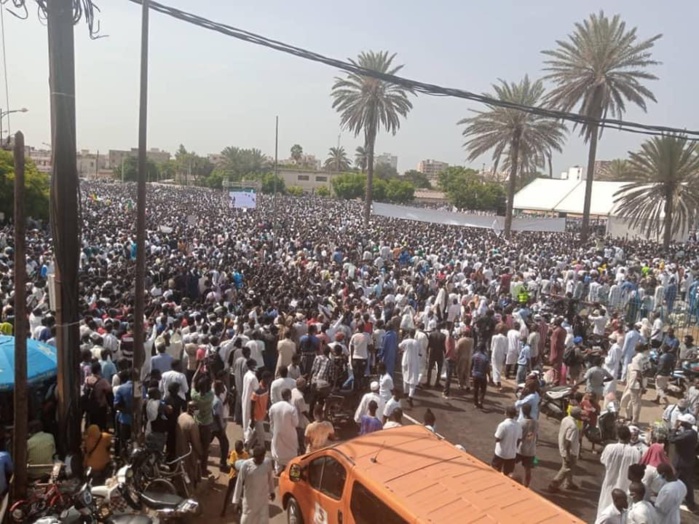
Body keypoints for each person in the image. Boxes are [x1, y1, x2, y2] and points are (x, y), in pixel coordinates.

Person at [596, 425, 642, 520]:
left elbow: (603, 461)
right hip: (625, 486)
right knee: (622, 514)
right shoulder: (635, 452)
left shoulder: (609, 448)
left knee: (605, 509)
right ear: (629, 437)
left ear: (617, 436)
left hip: (609, 484)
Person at [232, 444, 275, 524]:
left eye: (262, 457)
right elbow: (239, 483)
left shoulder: (267, 463)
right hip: (249, 501)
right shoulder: (246, 466)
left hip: (263, 500)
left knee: (263, 521)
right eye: (258, 458)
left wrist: (272, 491)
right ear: (254, 456)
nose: (261, 459)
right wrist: (236, 501)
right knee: (246, 521)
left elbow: (270, 478)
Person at [667, 412, 697, 512]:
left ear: (687, 423)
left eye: (682, 421)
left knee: (677, 480)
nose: (680, 422)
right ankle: (689, 501)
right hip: (687, 460)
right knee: (685, 481)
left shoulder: (688, 434)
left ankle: (690, 503)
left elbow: (671, 439)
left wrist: (674, 428)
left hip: (681, 462)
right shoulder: (692, 432)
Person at [548, 406, 582, 493]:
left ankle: (568, 483)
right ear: (577, 415)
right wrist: (567, 456)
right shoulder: (573, 427)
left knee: (571, 468)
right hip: (570, 451)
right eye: (580, 414)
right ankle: (553, 485)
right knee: (566, 468)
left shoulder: (566, 419)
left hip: (564, 447)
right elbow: (568, 442)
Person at [268, 388, 299, 474]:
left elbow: (271, 422)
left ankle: (278, 472)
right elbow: (296, 423)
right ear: (289, 396)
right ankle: (291, 474)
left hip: (277, 434)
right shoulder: (292, 408)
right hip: (290, 435)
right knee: (291, 456)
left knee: (278, 454)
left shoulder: (273, 407)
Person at [176, 401, 204, 486]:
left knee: (180, 469)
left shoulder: (181, 416)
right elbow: (196, 442)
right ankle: (188, 489)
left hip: (179, 447)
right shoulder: (192, 423)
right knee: (190, 470)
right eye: (197, 409)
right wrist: (200, 452)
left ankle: (179, 485)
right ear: (193, 409)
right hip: (188, 451)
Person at [620, 344, 647, 425]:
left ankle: (634, 421)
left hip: (636, 384)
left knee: (635, 403)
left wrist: (641, 386)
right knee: (633, 401)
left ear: (635, 349)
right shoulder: (645, 357)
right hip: (642, 381)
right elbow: (648, 369)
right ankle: (628, 417)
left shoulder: (635, 359)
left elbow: (638, 374)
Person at [220, 440, 249, 517]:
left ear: (242, 447)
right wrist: (239, 469)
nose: (237, 450)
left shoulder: (246, 455)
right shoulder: (233, 453)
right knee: (229, 493)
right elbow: (232, 464)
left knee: (242, 493)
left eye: (238, 449)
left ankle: (239, 507)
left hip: (242, 477)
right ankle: (224, 509)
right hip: (233, 476)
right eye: (236, 449)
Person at [491, 406, 521, 476]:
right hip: (512, 454)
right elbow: (519, 439)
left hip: (501, 453)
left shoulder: (503, 425)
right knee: (508, 475)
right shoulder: (518, 426)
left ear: (506, 413)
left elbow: (497, 438)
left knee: (494, 472)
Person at [248, 372, 272, 450]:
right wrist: (252, 420)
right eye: (268, 379)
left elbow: (267, 399)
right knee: (262, 437)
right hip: (256, 417)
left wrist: (267, 411)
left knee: (255, 434)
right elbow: (252, 405)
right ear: (264, 378)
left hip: (262, 415)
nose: (269, 380)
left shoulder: (267, 387)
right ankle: (261, 453)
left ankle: (246, 448)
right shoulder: (257, 390)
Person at [516, 403, 537, 487]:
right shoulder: (535, 423)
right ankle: (526, 486)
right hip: (531, 450)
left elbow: (518, 437)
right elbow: (532, 435)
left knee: (510, 464)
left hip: (520, 449)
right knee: (528, 469)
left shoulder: (521, 423)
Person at [399, 330, 420, 407]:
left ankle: (405, 392)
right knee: (413, 380)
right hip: (414, 362)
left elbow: (399, 346)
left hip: (405, 361)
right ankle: (410, 396)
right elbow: (419, 352)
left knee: (405, 376)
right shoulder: (416, 342)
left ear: (409, 334)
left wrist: (404, 337)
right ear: (414, 334)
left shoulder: (405, 341)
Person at [241, 358, 259, 444]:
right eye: (255, 365)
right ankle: (248, 440)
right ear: (252, 366)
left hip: (245, 399)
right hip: (251, 400)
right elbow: (257, 389)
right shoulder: (253, 377)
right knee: (250, 420)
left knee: (246, 419)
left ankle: (247, 437)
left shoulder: (247, 374)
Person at [470, 344, 490, 409]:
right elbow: (487, 368)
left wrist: (471, 373)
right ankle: (480, 402)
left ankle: (475, 403)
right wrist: (489, 376)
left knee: (475, 389)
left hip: (475, 375)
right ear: (484, 349)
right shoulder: (485, 357)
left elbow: (471, 365)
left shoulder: (474, 355)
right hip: (482, 375)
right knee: (483, 390)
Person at [490, 324, 507, 389]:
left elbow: (492, 347)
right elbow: (506, 350)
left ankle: (497, 381)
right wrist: (505, 357)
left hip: (494, 354)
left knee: (494, 367)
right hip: (502, 355)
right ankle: (496, 381)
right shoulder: (506, 338)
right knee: (499, 368)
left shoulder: (494, 337)